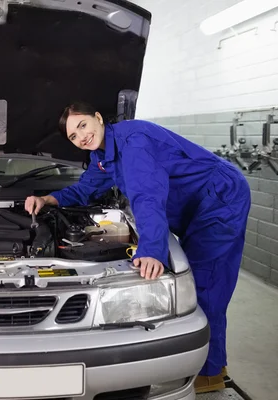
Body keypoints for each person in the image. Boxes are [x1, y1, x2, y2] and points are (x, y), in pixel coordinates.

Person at [25, 101, 250, 394]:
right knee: (204, 279)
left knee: (207, 283)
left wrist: (151, 250)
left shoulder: (134, 143)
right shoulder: (104, 154)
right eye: (73, 136)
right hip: (197, 204)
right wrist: (49, 200)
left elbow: (147, 196)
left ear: (98, 118)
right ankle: (213, 365)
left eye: (82, 126)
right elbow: (86, 187)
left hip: (220, 199)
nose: (81, 137)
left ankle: (212, 372)